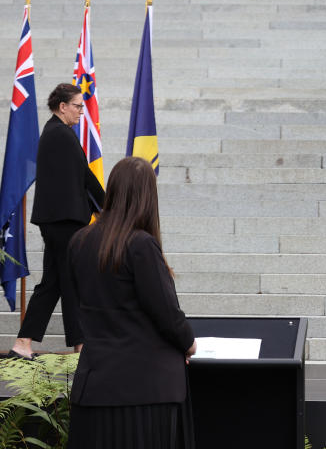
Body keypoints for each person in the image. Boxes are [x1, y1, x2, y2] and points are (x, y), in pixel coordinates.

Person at [67, 157, 196, 449]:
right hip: (145, 393)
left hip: (95, 387)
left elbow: (81, 304)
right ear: (147, 197)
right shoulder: (140, 246)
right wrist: (189, 343)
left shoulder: (79, 242)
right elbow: (166, 313)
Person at [7, 83, 105, 361]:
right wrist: (110, 207)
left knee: (54, 282)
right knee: (72, 281)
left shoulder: (56, 132)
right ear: (63, 107)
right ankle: (80, 347)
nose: (81, 113)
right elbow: (85, 176)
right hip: (64, 222)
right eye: (77, 106)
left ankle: (23, 344)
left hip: (59, 221)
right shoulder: (61, 134)